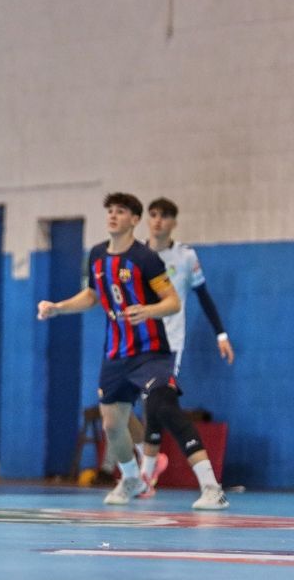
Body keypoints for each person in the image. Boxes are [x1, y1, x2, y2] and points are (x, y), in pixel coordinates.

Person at [37, 193, 228, 510]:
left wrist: (148, 311)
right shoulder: (97, 255)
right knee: (112, 424)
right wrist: (58, 308)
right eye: (109, 211)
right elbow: (91, 296)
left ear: (134, 220)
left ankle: (212, 488)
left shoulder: (146, 258)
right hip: (115, 354)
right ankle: (131, 478)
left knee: (164, 408)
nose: (113, 216)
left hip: (151, 352)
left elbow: (173, 302)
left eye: (120, 211)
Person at [135, 197, 235, 497]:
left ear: (174, 222)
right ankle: (149, 472)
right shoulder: (136, 254)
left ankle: (157, 474)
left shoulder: (185, 256)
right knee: (145, 407)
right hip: (137, 342)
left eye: (165, 216)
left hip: (169, 344)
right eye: (153, 215)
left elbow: (203, 295)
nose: (158, 221)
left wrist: (221, 334)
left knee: (158, 403)